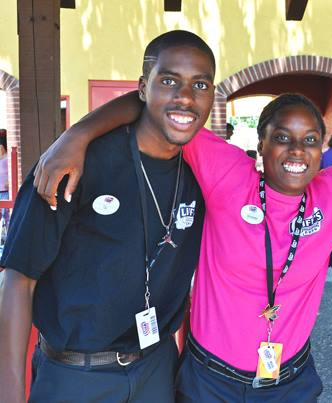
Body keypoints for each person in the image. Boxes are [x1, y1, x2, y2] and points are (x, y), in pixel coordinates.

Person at [32, 88, 332, 402]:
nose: (296, 152)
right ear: (259, 143)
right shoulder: (227, 175)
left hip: (289, 384)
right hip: (209, 382)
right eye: (281, 138)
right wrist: (76, 134)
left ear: (327, 148)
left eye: (310, 140)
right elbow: (155, 104)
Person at [0, 30, 214, 403]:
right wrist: (9, 391)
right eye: (168, 81)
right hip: (75, 375)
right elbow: (19, 278)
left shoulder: (205, 171)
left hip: (156, 369)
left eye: (200, 84)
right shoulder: (74, 165)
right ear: (143, 88)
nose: (185, 96)